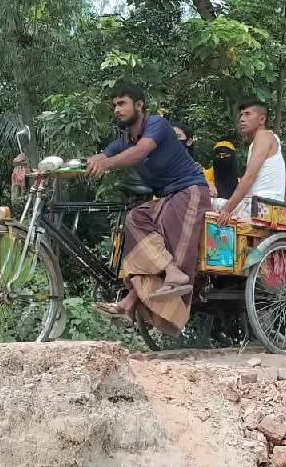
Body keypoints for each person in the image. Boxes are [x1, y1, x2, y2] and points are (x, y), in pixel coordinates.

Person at [86, 84, 211, 334]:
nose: (117, 110)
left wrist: (107, 165)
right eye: (114, 105)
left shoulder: (157, 125)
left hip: (190, 193)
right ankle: (145, 291)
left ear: (139, 105)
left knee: (169, 245)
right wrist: (65, 169)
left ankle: (133, 301)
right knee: (136, 219)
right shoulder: (124, 139)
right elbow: (100, 158)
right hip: (167, 199)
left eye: (122, 103)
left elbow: (139, 152)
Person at [215, 100, 286, 223]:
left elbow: (250, 176)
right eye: (241, 115)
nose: (242, 119)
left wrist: (227, 209)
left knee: (207, 203)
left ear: (262, 120)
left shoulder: (262, 136)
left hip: (260, 206)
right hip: (271, 208)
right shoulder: (272, 139)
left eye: (247, 114)